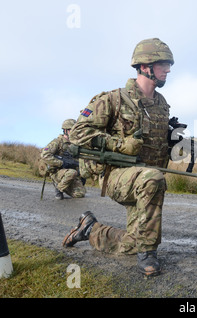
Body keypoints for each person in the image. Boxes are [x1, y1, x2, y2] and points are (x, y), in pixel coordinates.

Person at [62, 38, 174, 277]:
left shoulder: (162, 105)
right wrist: (121, 144)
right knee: (153, 179)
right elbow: (78, 133)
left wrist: (175, 143)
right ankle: (149, 253)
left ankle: (90, 229)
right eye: (163, 64)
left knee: (131, 243)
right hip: (116, 176)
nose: (168, 70)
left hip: (144, 179)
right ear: (145, 67)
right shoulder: (113, 99)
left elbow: (155, 146)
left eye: (168, 64)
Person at [40, 119, 86, 200]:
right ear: (65, 130)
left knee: (80, 194)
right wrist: (61, 163)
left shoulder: (75, 144)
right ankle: (58, 189)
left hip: (70, 173)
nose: (74, 132)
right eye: (71, 130)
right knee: (72, 172)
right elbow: (45, 155)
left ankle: (64, 185)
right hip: (57, 172)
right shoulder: (57, 142)